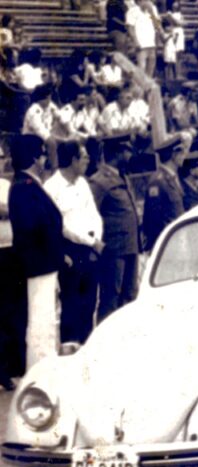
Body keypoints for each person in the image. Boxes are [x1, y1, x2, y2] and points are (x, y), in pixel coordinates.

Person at [8, 134, 63, 373]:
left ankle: (44, 366)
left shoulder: (28, 185)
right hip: (38, 264)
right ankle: (41, 370)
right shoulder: (25, 187)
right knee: (41, 322)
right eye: (41, 155)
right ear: (33, 158)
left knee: (46, 320)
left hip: (43, 263)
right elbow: (37, 226)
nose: (44, 160)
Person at [44, 142, 104, 344]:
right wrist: (91, 241)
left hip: (91, 250)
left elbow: (94, 214)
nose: (88, 160)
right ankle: (70, 351)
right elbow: (62, 226)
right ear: (73, 160)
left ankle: (86, 349)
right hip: (70, 252)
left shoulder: (83, 183)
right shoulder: (51, 188)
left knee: (89, 305)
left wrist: (96, 239)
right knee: (71, 307)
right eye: (84, 156)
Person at [90, 135, 139, 321]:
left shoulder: (122, 176)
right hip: (113, 249)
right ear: (117, 153)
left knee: (130, 295)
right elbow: (90, 214)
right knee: (111, 297)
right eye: (127, 151)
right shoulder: (99, 181)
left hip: (130, 246)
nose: (130, 155)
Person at [0, 153, 22, 390]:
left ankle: (11, 368)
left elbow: (15, 210)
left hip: (11, 251)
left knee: (11, 311)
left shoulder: (7, 185)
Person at [142, 135, 186, 252]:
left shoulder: (172, 178)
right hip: (167, 243)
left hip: (176, 239)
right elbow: (153, 218)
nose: (184, 156)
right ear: (174, 155)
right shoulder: (158, 181)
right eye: (181, 153)